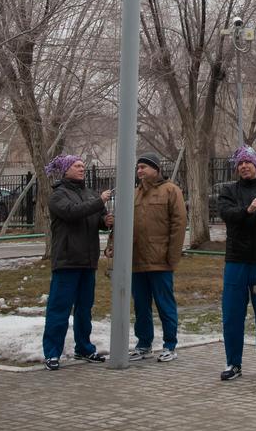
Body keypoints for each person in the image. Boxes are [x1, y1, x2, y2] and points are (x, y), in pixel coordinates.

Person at [42, 155, 112, 371]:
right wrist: (99, 202)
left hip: (88, 261)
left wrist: (105, 221)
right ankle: (52, 353)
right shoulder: (58, 195)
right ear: (65, 170)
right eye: (77, 166)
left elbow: (95, 218)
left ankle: (84, 347)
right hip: (67, 261)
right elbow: (72, 213)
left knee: (84, 309)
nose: (82, 169)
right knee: (59, 309)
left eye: (83, 166)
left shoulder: (89, 193)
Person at [128, 153, 188, 363]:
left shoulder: (171, 191)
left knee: (164, 303)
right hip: (137, 260)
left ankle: (170, 344)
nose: (140, 171)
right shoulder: (134, 193)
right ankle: (144, 344)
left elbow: (179, 225)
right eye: (138, 168)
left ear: (156, 169)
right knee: (141, 305)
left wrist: (172, 256)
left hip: (160, 260)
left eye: (144, 167)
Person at [217, 145, 256, 382]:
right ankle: (233, 363)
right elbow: (227, 214)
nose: (244, 166)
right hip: (236, 262)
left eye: (248, 162)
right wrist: (248, 211)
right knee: (232, 316)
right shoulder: (228, 191)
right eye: (240, 163)